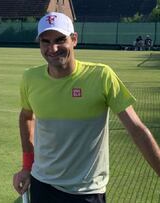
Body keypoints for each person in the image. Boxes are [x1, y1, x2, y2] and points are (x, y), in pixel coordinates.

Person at [13, 12, 160, 203]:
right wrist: (27, 166)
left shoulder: (101, 76)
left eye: (60, 40)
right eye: (45, 41)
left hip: (87, 192)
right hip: (42, 185)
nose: (53, 48)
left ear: (74, 39)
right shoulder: (30, 78)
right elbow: (26, 116)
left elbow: (137, 130)